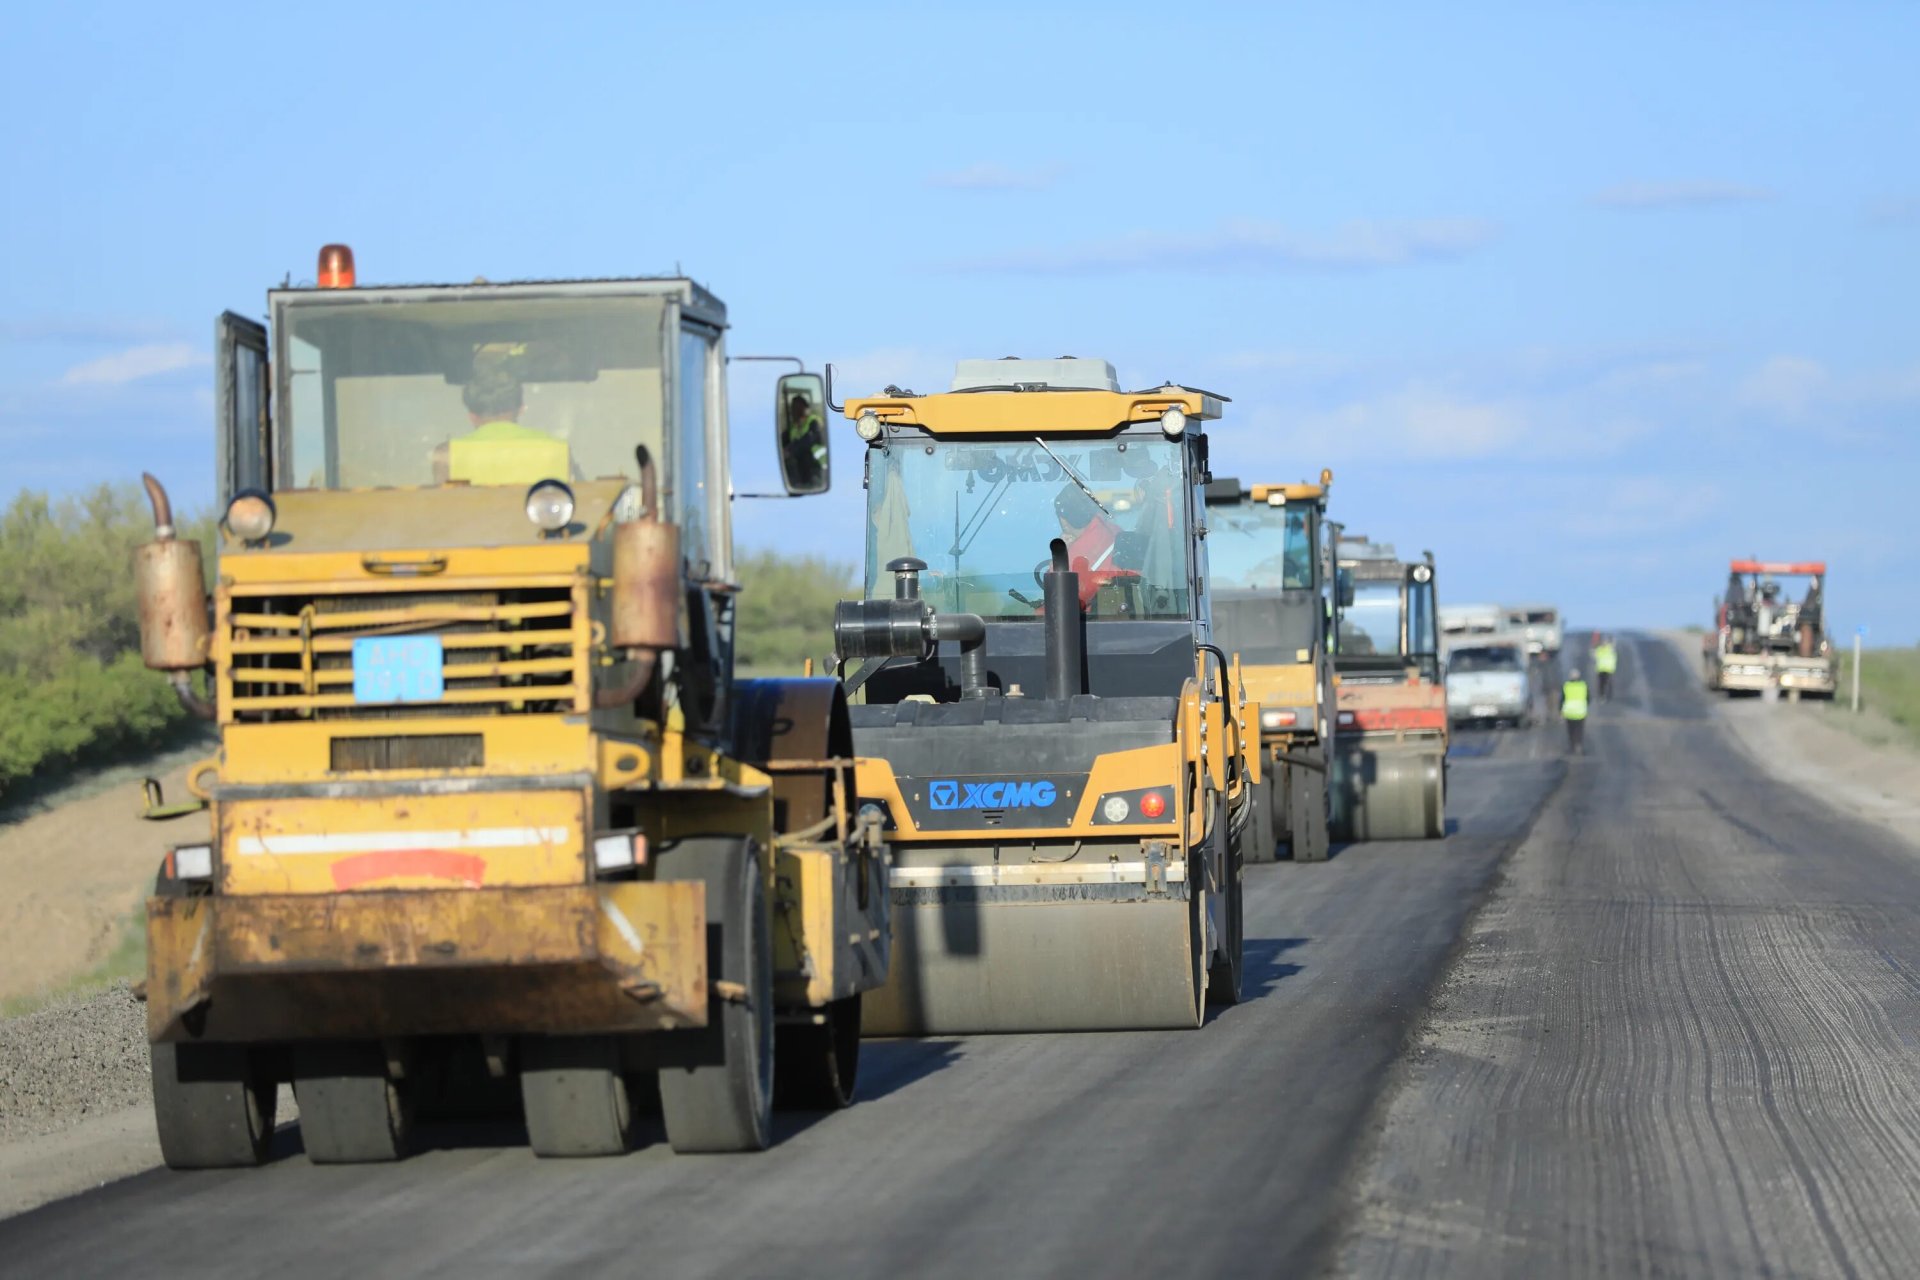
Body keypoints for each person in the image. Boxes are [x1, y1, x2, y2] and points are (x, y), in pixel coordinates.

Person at [438, 361, 570, 485]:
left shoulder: (447, 454)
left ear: (472, 417)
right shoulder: (557, 449)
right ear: (521, 409)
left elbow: (439, 503)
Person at [781, 391, 827, 491]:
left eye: (798, 407)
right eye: (793, 408)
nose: (795, 411)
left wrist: (790, 451)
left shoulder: (813, 420)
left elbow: (810, 438)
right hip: (801, 468)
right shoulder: (792, 428)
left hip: (818, 464)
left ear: (805, 408)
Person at [1560, 667, 1590, 755]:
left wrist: (1560, 710)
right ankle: (1578, 744)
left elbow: (1562, 699)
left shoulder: (1566, 686)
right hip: (1581, 712)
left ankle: (1572, 745)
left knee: (1571, 730)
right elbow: (1588, 698)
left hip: (1569, 712)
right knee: (1579, 730)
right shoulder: (1583, 686)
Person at [1593, 635, 1618, 702]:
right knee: (1601, 684)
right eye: (1603, 642)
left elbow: (1613, 648)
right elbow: (1594, 655)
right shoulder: (1599, 649)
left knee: (1608, 683)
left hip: (1609, 669)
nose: (1604, 643)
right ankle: (1602, 695)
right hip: (1600, 669)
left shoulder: (1610, 649)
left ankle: (1609, 696)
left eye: (1605, 642)